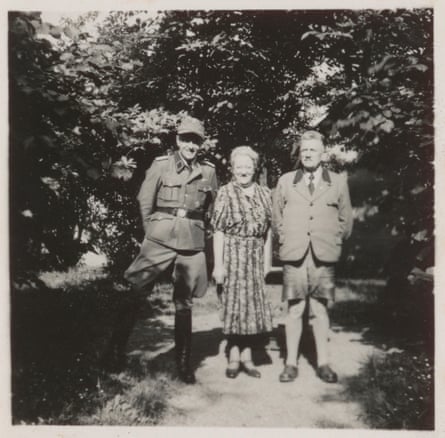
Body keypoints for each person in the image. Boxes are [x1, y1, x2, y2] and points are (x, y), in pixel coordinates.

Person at [107, 116, 218, 384]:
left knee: (184, 303)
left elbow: (211, 210)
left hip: (191, 243)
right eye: (186, 139)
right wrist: (152, 232)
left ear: (200, 144)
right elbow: (145, 200)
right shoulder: (161, 165)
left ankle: (183, 364)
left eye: (196, 140)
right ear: (178, 140)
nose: (191, 144)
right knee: (136, 291)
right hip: (158, 239)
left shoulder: (209, 172)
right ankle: (113, 354)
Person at [272, 130, 353, 383]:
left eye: (313, 150)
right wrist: (287, 239)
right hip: (294, 254)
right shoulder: (286, 181)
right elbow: (276, 219)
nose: (307, 154)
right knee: (295, 309)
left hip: (323, 255)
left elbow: (346, 220)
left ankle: (323, 362)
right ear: (300, 153)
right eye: (304, 150)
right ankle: (291, 363)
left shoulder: (337, 181)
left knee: (320, 308)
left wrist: (331, 241)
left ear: (322, 154)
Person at [211, 146, 273, 379]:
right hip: (232, 255)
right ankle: (234, 356)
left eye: (248, 166)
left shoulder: (265, 193)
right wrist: (218, 265)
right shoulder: (225, 193)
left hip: (255, 256)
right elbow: (218, 230)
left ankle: (248, 357)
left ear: (255, 168)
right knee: (233, 305)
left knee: (251, 307)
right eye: (239, 167)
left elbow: (268, 233)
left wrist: (267, 262)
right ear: (233, 169)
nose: (243, 171)